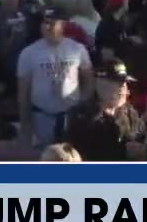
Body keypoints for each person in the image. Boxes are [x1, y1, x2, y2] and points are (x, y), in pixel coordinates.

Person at [17, 8, 93, 150]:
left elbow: (89, 80)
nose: (48, 27)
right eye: (45, 23)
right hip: (42, 117)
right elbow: (23, 92)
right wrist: (26, 124)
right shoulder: (28, 53)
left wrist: (82, 103)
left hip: (70, 117)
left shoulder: (77, 49)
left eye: (53, 23)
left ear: (63, 25)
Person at [65, 60, 147, 161]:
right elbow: (79, 154)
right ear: (99, 84)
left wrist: (144, 148)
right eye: (116, 82)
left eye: (124, 82)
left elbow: (146, 141)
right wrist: (123, 150)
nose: (122, 87)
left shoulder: (130, 112)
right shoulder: (82, 117)